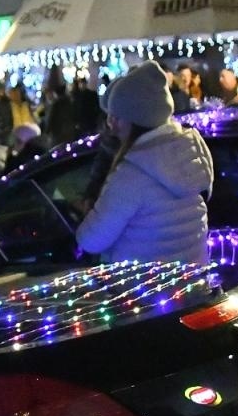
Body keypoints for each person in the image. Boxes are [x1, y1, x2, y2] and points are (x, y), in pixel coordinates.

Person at [75, 61, 214, 264]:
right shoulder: (189, 153)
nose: (110, 124)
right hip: (191, 286)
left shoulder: (132, 174)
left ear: (136, 118)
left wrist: (85, 213)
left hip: (144, 289)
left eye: (116, 117)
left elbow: (91, 240)